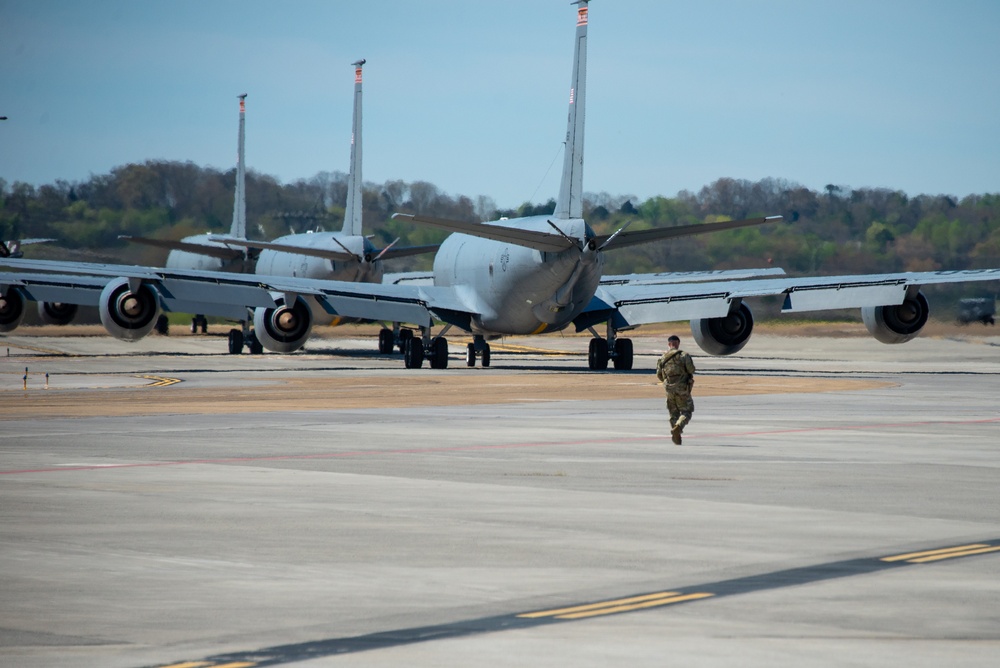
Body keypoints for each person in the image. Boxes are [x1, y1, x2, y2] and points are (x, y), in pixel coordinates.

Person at [655, 335, 696, 444]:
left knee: (673, 413)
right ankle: (678, 426)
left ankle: (676, 436)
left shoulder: (662, 357)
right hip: (682, 388)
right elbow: (691, 370)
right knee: (687, 411)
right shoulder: (684, 355)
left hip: (669, 389)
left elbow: (659, 375)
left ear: (669, 344)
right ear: (678, 343)